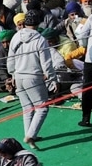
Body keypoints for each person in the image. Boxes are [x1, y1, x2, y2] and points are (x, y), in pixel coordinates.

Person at [6, 9, 57, 148]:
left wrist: (13, 74)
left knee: (27, 108)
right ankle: (30, 135)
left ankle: (29, 135)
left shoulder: (16, 36)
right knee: (42, 107)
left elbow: (10, 59)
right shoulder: (40, 39)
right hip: (33, 76)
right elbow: (46, 63)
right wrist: (52, 78)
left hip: (18, 76)